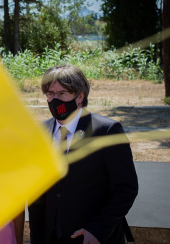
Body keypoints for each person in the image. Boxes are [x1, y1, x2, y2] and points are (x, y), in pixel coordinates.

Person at [17, 65, 138, 244]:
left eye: (62, 93)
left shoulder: (106, 131)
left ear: (80, 96)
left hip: (90, 237)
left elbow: (126, 188)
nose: (54, 100)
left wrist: (97, 230)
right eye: (50, 94)